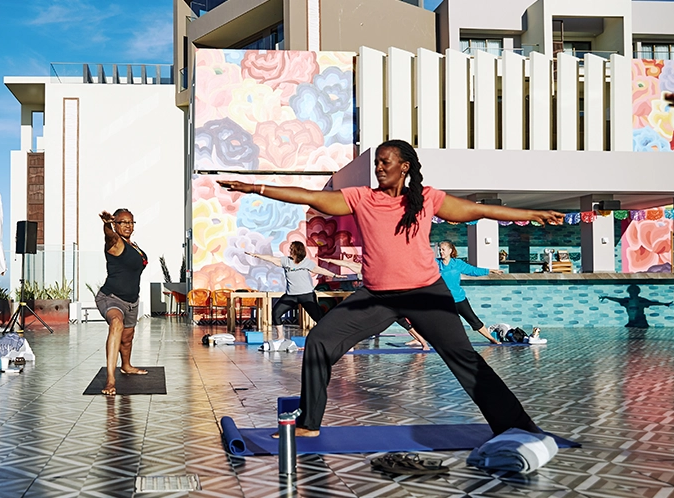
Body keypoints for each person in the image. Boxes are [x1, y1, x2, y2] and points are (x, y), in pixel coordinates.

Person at [218, 139, 564, 437]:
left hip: (427, 294)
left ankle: (516, 425)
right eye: (377, 162)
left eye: (386, 162)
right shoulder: (361, 198)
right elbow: (309, 196)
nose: (379, 168)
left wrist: (529, 214)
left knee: (464, 359)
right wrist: (256, 188)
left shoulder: (427, 198)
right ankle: (310, 422)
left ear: (405, 167)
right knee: (320, 341)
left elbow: (473, 209)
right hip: (376, 297)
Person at [246, 241, 342, 349]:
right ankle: (280, 337)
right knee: (276, 312)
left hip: (307, 295)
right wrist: (256, 255)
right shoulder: (286, 261)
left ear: (297, 251)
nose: (289, 251)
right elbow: (272, 258)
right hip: (291, 296)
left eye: (291, 249)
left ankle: (332, 337)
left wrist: (334, 275)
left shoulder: (306, 262)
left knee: (318, 317)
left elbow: (319, 269)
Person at [320, 256, 431, 350]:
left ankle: (423, 342)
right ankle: (348, 343)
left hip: (387, 300)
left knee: (403, 321)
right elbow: (347, 263)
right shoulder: (365, 268)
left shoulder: (383, 270)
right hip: (375, 301)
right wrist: (330, 260)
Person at [95, 209, 149, 396]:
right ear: (116, 224)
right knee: (116, 324)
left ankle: (126, 365)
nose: (128, 225)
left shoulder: (133, 245)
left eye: (131, 222)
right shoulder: (115, 242)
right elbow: (109, 236)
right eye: (123, 222)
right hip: (111, 297)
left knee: (127, 339)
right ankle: (111, 378)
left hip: (131, 301)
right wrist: (106, 225)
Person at [432, 240, 503, 345]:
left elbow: (472, 270)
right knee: (438, 322)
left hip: (459, 298)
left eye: (443, 249)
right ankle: (421, 340)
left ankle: (492, 339)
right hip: (444, 300)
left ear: (450, 250)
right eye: (439, 250)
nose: (441, 252)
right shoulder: (435, 263)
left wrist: (489, 271)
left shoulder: (457, 264)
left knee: (473, 320)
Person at [599, 284, 673, 328]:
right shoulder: (627, 301)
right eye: (631, 292)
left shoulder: (641, 301)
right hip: (632, 322)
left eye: (634, 292)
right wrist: (606, 297)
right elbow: (616, 299)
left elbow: (653, 303)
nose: (633, 293)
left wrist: (665, 304)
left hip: (641, 322)